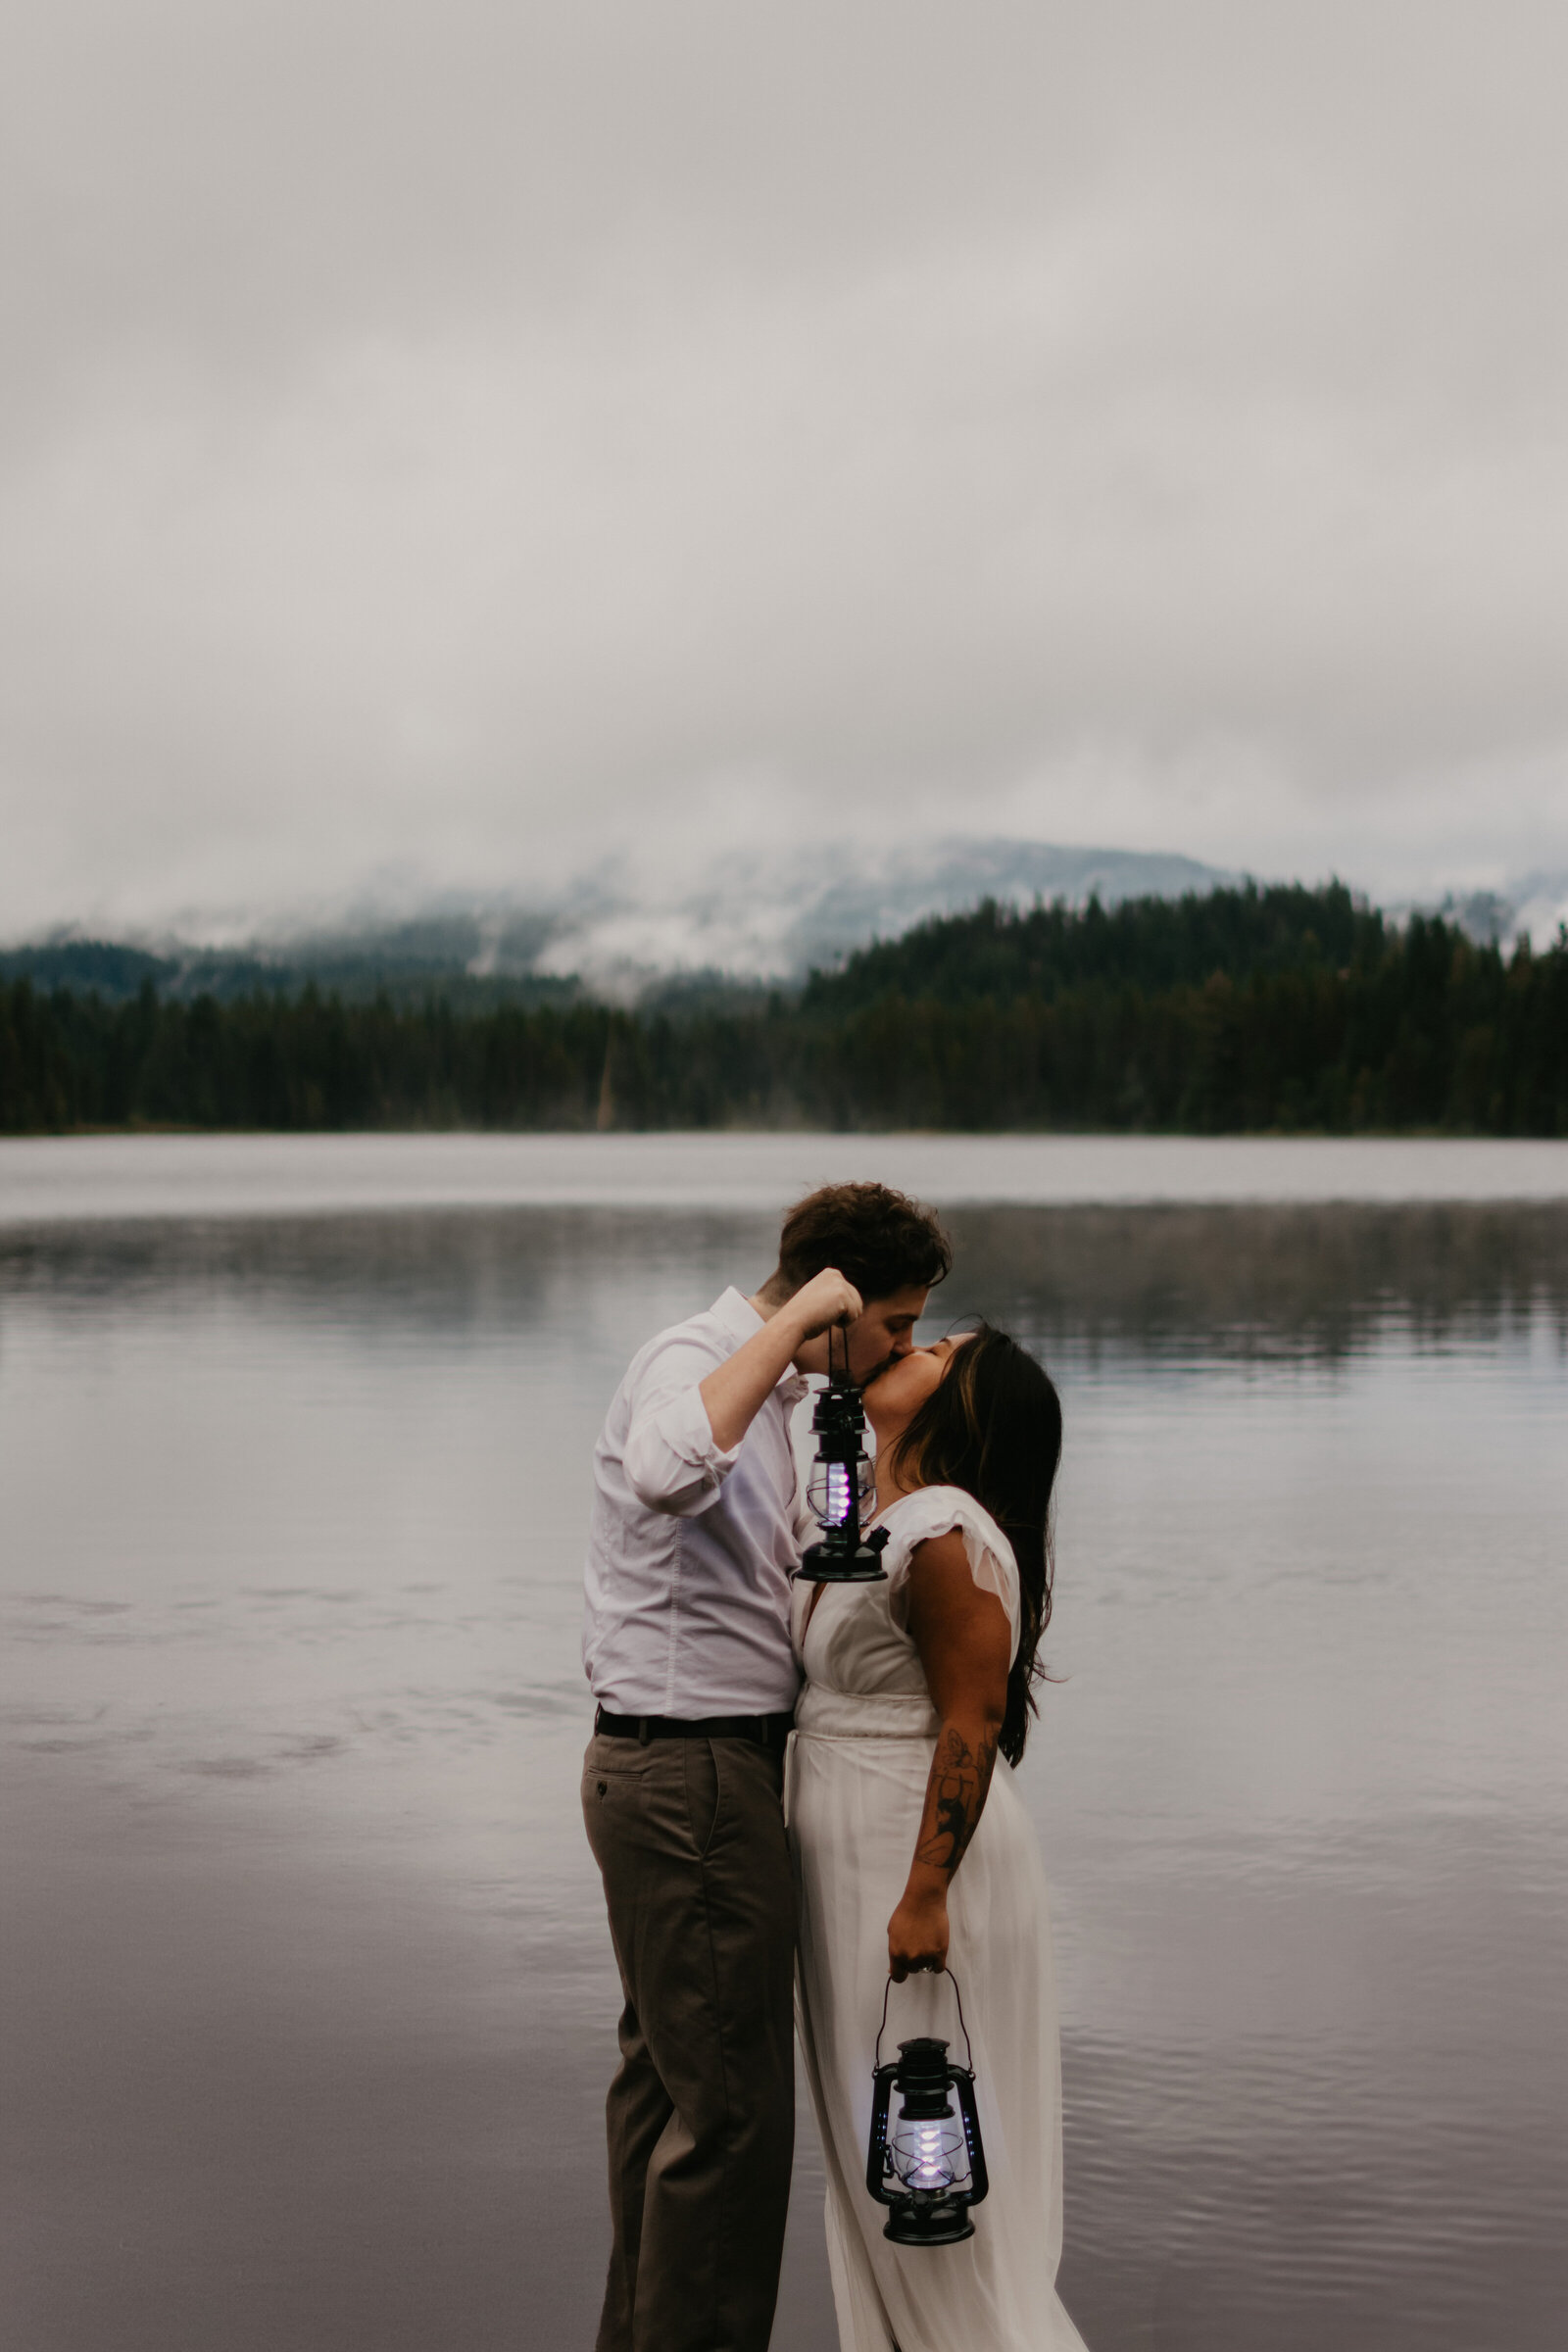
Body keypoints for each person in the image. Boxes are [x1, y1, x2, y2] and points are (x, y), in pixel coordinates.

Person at [580, 1181, 954, 2352]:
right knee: (734, 2123)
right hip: (687, 1782)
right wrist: (788, 1332)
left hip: (696, 1777)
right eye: (892, 1323)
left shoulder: (788, 1400)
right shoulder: (695, 1362)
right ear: (832, 1299)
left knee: (669, 2102)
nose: (903, 1345)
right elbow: (663, 1470)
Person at [787, 1323, 1090, 2352]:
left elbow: (973, 1721)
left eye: (938, 1348)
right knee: (877, 2174)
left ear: (958, 1406)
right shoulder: (873, 1511)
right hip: (853, 1857)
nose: (907, 1346)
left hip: (914, 1872)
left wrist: (923, 1895)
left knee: (929, 2187)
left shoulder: (945, 1536)